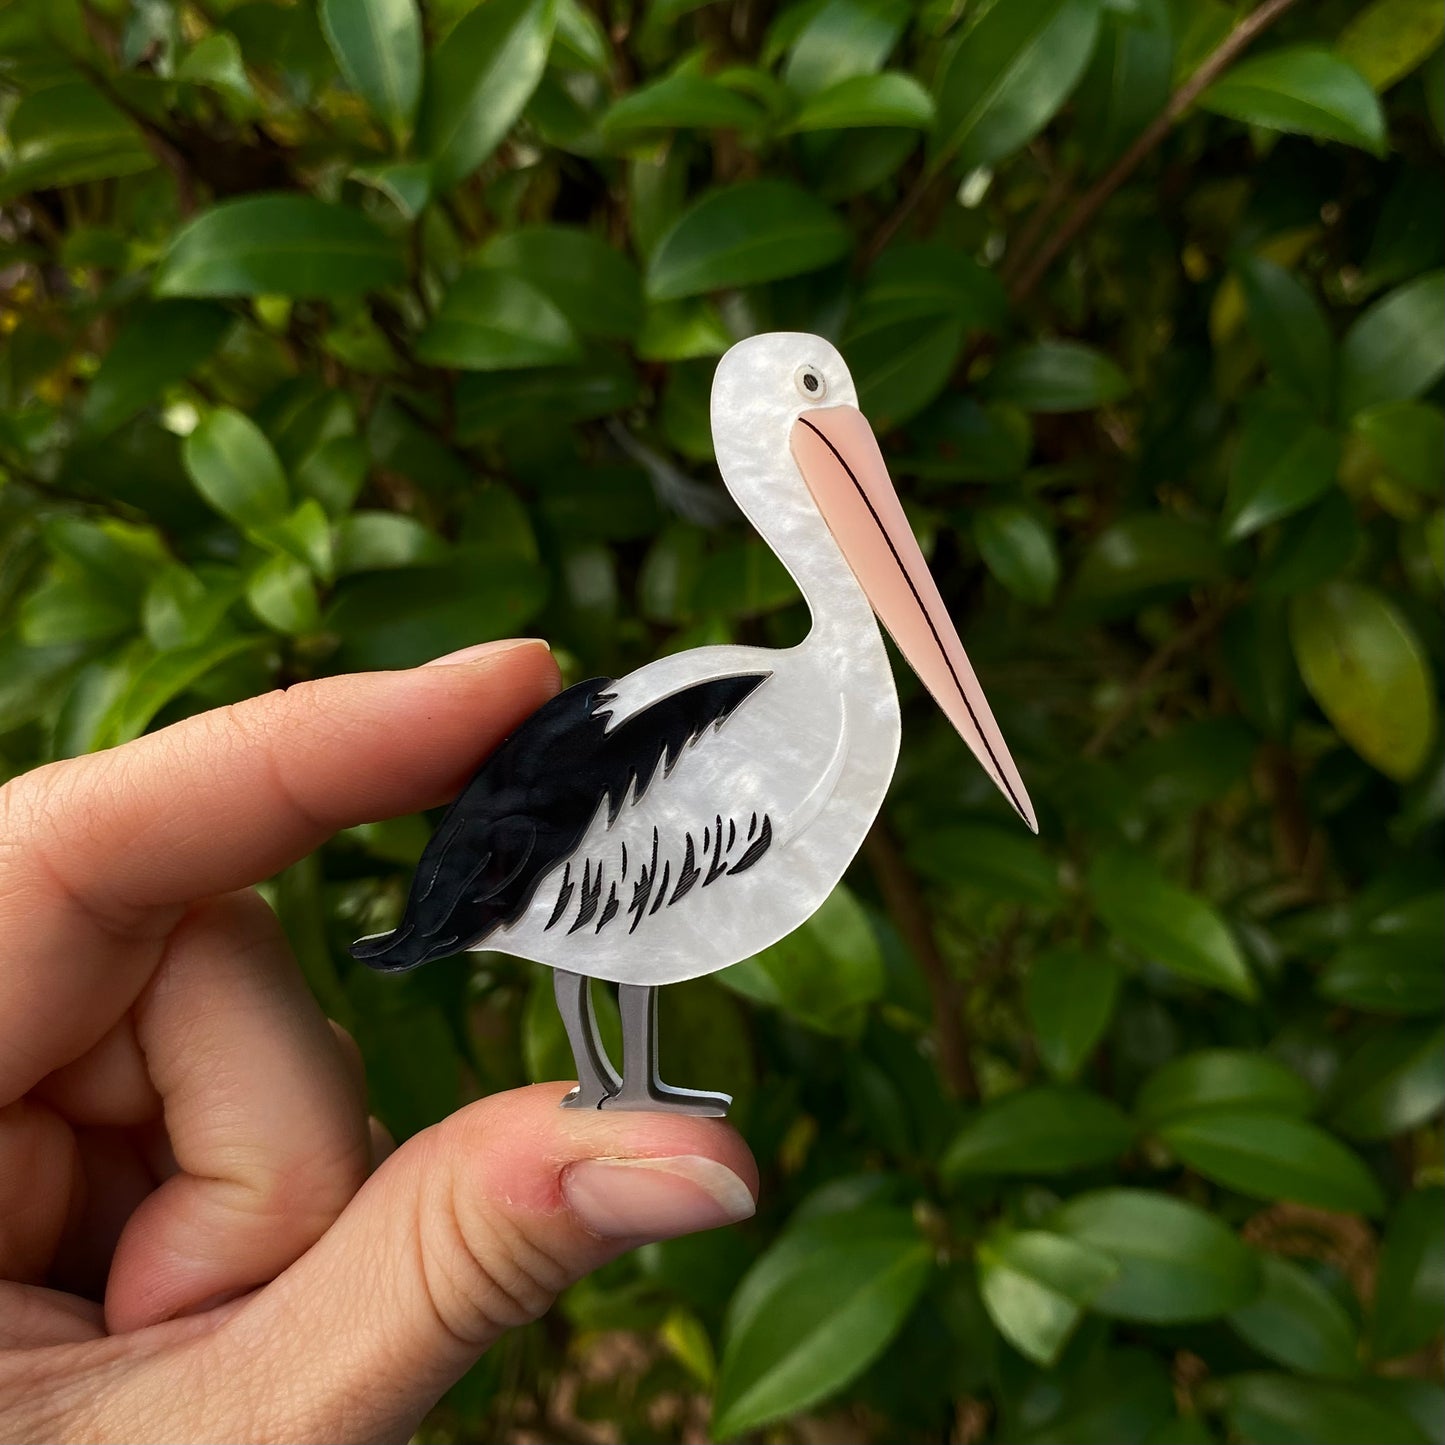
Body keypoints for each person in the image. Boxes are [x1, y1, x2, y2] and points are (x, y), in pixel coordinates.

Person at [0, 638, 758, 1443]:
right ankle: (610, 1084)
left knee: (617, 941)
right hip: (555, 869)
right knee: (585, 940)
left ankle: (623, 1082)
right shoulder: (612, 745)